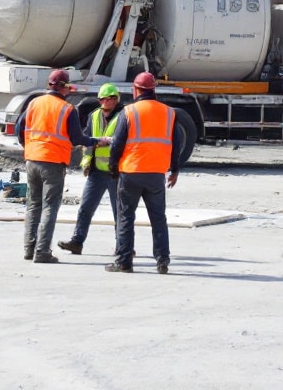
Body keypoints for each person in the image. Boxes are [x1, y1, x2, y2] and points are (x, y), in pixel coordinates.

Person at [14, 69, 97, 263]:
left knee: (33, 205)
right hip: (52, 162)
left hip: (32, 160)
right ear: (64, 87)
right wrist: (95, 141)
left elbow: (19, 128)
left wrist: (30, 147)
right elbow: (77, 138)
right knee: (50, 207)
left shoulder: (34, 102)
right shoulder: (67, 109)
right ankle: (42, 252)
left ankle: (29, 249)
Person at [106, 72, 181, 274]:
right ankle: (162, 261)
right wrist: (175, 169)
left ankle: (124, 262)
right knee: (158, 218)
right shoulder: (169, 113)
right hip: (156, 173)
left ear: (136, 90)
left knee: (126, 217)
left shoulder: (129, 112)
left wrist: (113, 168)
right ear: (153, 89)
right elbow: (176, 143)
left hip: (131, 172)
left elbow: (117, 144)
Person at [58, 83, 122, 255]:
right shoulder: (94, 116)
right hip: (96, 171)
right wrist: (86, 162)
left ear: (116, 99)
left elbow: (126, 141)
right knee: (85, 208)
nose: (105, 102)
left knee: (120, 212)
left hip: (117, 172)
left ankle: (123, 246)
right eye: (102, 99)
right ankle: (77, 242)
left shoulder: (123, 117)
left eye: (109, 99)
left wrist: (109, 141)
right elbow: (86, 141)